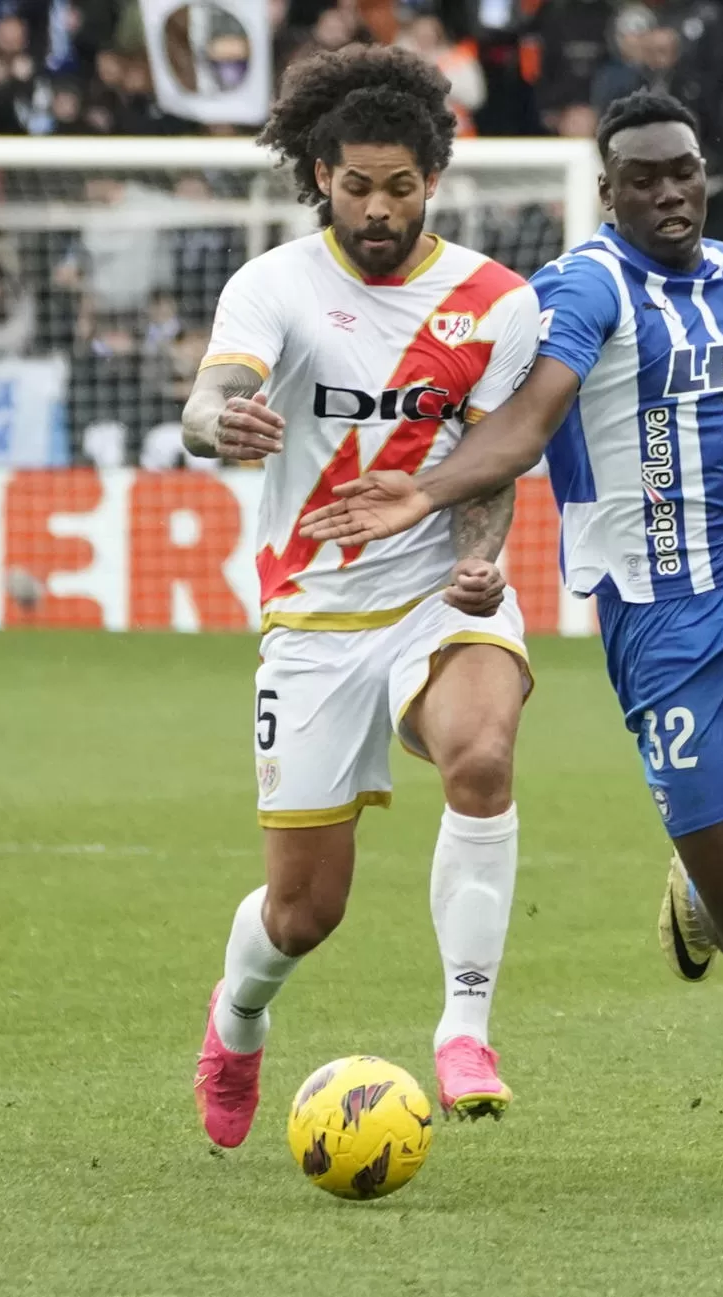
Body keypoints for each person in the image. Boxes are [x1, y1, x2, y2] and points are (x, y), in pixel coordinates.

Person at [299, 90, 723, 1185]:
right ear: (608, 189)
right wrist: (422, 495)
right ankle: (702, 887)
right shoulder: (585, 288)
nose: (670, 193)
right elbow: (523, 427)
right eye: (644, 178)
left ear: (705, 172)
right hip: (662, 630)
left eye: (686, 171)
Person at [179, 47, 541, 1149]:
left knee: (481, 755)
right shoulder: (277, 283)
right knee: (304, 911)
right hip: (313, 616)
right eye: (354, 186)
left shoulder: (495, 303)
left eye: (399, 185)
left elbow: (492, 469)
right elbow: (213, 395)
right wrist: (219, 424)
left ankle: (466, 1030)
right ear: (318, 178)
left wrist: (479, 558)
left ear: (433, 175)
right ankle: (236, 1022)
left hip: (439, 594)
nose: (377, 209)